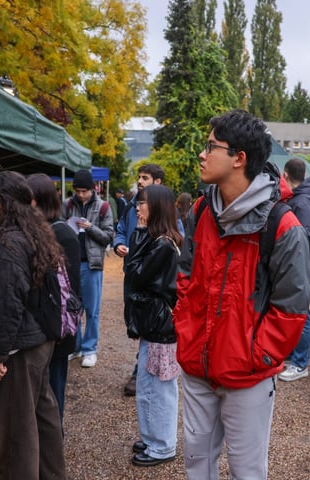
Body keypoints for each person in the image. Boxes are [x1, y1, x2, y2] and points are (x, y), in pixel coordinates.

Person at [173, 109, 310, 479]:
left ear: (240, 158)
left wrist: (257, 356)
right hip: (197, 363)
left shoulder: (282, 225)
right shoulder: (202, 210)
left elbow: (292, 308)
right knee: (196, 465)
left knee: (247, 471)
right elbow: (185, 275)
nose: (202, 154)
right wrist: (185, 327)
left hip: (247, 374)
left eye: (210, 146)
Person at [0, 171, 67, 479]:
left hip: (20, 346)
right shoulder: (32, 232)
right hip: (38, 340)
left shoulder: (10, 243)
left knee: (17, 429)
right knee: (42, 416)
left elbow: (6, 304)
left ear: (5, 202)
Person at [125, 184, 182, 467]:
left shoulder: (161, 244)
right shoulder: (157, 240)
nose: (138, 207)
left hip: (160, 327)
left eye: (143, 203)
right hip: (155, 325)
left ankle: (162, 445)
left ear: (157, 206)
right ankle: (153, 439)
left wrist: (136, 233)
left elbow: (134, 275)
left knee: (158, 390)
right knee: (150, 386)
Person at [27, 173, 81, 424]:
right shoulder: (42, 231)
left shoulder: (63, 234)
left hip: (57, 329)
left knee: (53, 389)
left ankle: (53, 445)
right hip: (44, 327)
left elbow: (70, 291)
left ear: (37, 200)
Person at [113, 164, 167, 396]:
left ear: (157, 182)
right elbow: (121, 229)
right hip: (131, 274)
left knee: (148, 326)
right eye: (139, 177)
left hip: (150, 279)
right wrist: (119, 243)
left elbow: (177, 236)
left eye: (145, 177)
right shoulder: (131, 207)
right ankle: (144, 368)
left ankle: (141, 372)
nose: (140, 181)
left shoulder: (164, 208)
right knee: (135, 323)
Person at [62, 169, 114, 368]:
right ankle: (75, 346)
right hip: (71, 263)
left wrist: (89, 227)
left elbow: (109, 236)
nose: (81, 194)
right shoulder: (68, 205)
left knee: (92, 310)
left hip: (92, 264)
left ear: (92, 189)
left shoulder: (103, 207)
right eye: (78, 191)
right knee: (73, 308)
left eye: (84, 191)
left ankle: (90, 349)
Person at [278, 158, 310, 382]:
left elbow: (309, 233)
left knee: (302, 315)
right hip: (299, 266)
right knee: (296, 312)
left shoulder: (302, 202)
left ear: (285, 175)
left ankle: (300, 363)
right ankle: (294, 357)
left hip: (301, 267)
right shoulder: (301, 199)